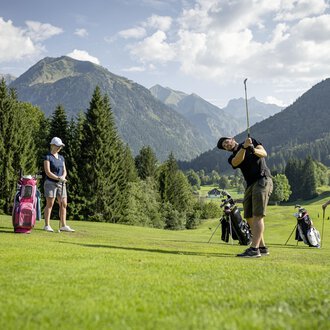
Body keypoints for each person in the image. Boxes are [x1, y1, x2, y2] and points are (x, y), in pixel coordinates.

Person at [217, 136, 273, 258]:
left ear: (232, 139)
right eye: (224, 146)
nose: (226, 145)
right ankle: (262, 248)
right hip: (250, 184)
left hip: (262, 179)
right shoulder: (232, 157)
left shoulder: (251, 141)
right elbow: (237, 161)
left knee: (258, 215)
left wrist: (252, 149)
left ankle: (254, 249)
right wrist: (244, 147)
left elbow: (263, 153)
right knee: (248, 217)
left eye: (226, 142)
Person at [43, 137, 75, 232]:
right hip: (50, 183)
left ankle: (63, 225)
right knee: (50, 203)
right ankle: (47, 225)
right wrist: (58, 178)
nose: (59, 148)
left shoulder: (61, 157)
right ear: (52, 145)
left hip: (61, 183)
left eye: (60, 146)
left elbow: (64, 170)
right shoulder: (47, 157)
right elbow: (48, 172)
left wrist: (63, 177)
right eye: (57, 146)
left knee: (63, 204)